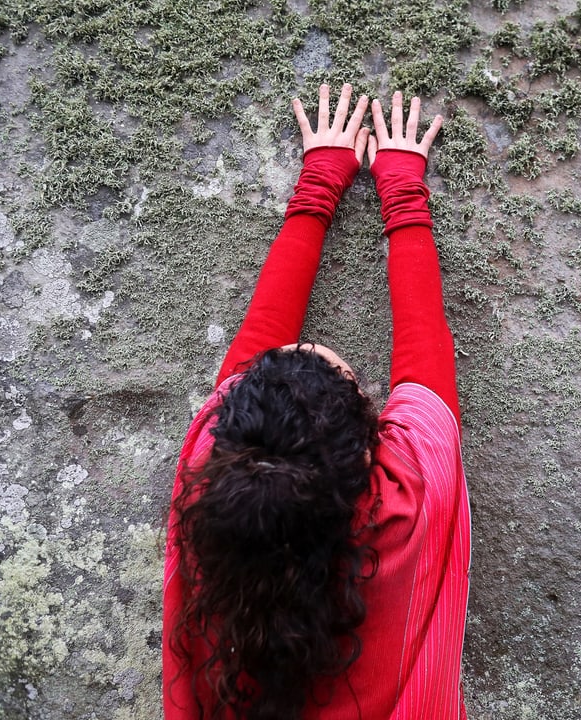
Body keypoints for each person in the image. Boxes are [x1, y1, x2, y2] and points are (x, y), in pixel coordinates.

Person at [161, 83, 470, 720]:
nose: (310, 346)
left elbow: (254, 346)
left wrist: (322, 179)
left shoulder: (207, 475)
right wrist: (401, 186)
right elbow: (426, 362)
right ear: (371, 450)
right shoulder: (409, 503)